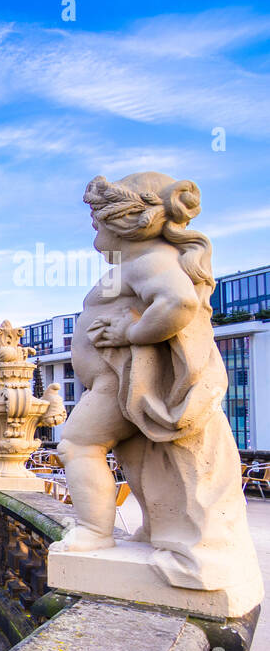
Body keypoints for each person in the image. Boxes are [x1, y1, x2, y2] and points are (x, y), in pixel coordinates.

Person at [57, 172, 257, 591]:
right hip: (118, 382)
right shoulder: (141, 262)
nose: (94, 233)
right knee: (139, 458)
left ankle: (95, 532)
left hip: (122, 382)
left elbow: (179, 302)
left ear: (123, 222)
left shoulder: (148, 260)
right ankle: (157, 528)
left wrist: (129, 334)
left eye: (96, 223)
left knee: (78, 443)